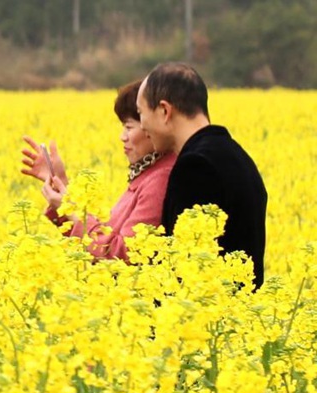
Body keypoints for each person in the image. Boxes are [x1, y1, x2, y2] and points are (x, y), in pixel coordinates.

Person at [136, 62, 267, 288]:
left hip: (210, 316)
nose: (142, 126)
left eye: (141, 113)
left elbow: (186, 267)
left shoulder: (195, 167)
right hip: (239, 313)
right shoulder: (238, 157)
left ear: (164, 111)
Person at [21, 79, 176, 262]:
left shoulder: (160, 179)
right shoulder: (147, 174)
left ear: (153, 126)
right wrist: (62, 185)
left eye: (128, 127)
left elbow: (123, 255)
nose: (122, 137)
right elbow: (102, 235)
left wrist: (71, 210)